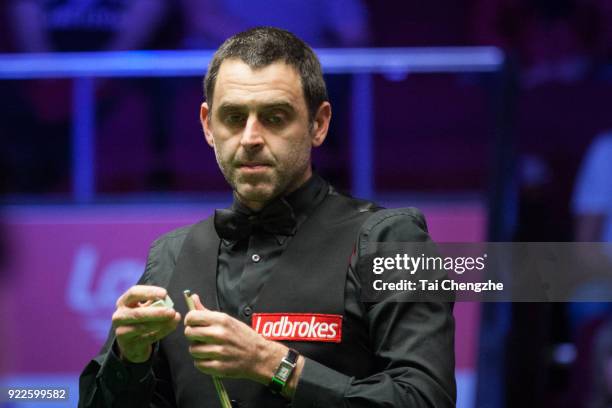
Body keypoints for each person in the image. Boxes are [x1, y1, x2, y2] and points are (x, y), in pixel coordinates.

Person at [78, 27, 456, 407]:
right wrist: (129, 360)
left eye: (275, 117)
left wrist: (275, 365)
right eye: (234, 117)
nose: (250, 137)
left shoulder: (393, 240)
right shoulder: (170, 255)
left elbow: (426, 399)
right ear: (208, 125)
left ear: (318, 124)